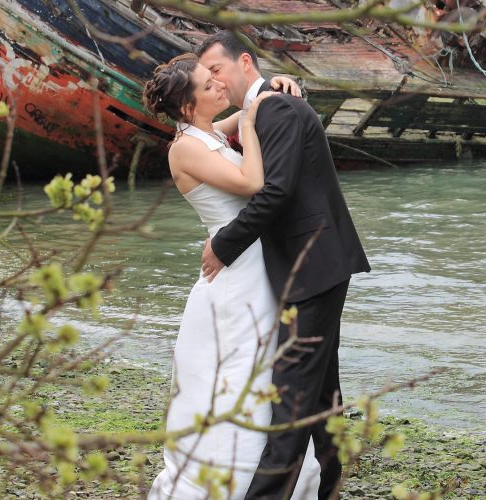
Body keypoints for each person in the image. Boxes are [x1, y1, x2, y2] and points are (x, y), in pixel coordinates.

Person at [196, 32, 371, 499]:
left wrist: (223, 245)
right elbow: (221, 132)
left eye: (217, 70)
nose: (214, 80)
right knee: (319, 394)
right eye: (205, 76)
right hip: (314, 264)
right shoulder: (264, 108)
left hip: (313, 265)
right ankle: (330, 486)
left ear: (244, 62)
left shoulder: (276, 108)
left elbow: (276, 191)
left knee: (290, 395)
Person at [143, 53, 321, 499]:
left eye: (215, 78)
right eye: (209, 85)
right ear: (188, 107)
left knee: (263, 367)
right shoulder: (184, 147)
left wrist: (273, 85)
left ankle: (277, 469)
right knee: (242, 371)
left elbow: (249, 106)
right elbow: (251, 182)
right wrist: (247, 126)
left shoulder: (203, 133)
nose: (220, 86)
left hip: (251, 264)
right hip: (235, 271)